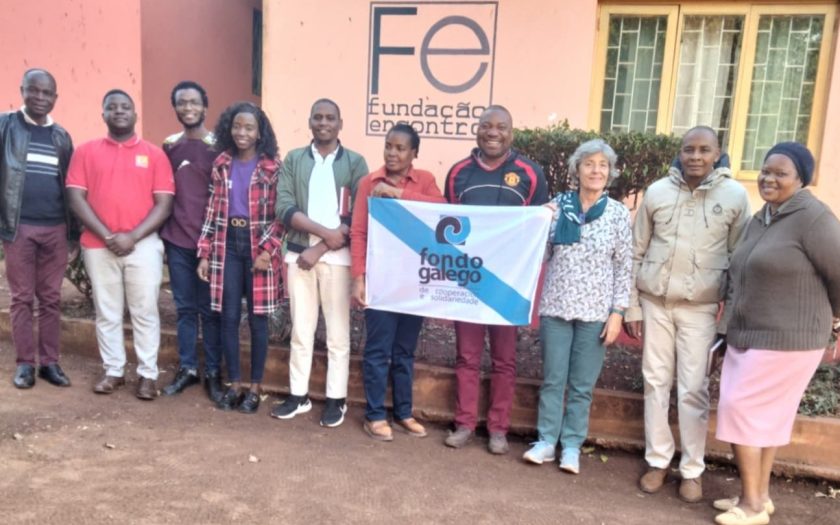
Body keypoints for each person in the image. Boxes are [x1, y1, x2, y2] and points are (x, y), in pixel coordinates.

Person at [712, 142, 840, 525]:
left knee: (740, 410)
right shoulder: (764, 216)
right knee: (764, 419)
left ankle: (750, 507)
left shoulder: (814, 219)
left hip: (790, 339)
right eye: (766, 171)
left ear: (802, 178)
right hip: (751, 334)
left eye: (780, 173)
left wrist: (835, 319)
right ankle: (759, 496)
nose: (769, 179)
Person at [625, 126, 750, 502]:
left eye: (704, 150)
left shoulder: (735, 196)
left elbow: (741, 261)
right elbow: (636, 251)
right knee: (655, 381)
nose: (695, 156)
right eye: (688, 149)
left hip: (700, 309)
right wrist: (633, 305)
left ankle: (692, 468)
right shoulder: (659, 192)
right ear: (679, 152)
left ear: (717, 154)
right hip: (655, 303)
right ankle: (658, 460)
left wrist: (726, 322)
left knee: (693, 389)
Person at [443, 105, 549, 454]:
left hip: (508, 284)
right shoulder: (458, 173)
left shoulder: (530, 173)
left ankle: (499, 429)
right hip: (470, 278)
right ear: (477, 130)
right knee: (467, 357)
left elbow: (540, 224)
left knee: (505, 359)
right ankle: (464, 424)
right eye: (486, 126)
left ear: (511, 133)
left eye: (500, 127)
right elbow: (447, 224)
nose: (493, 132)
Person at [522, 139, 632, 473]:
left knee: (582, 385)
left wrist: (618, 313)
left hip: (596, 314)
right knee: (554, 379)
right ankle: (545, 442)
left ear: (609, 172)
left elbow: (624, 266)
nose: (596, 170)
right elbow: (539, 255)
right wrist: (538, 223)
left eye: (602, 165)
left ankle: (571, 445)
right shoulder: (557, 207)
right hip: (557, 306)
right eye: (589, 164)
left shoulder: (616, 214)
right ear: (577, 170)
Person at [66, 89, 174, 400]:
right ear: (103, 115)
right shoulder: (85, 152)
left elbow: (164, 205)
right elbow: (76, 198)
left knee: (144, 311)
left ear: (135, 114)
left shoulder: (154, 154)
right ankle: (113, 370)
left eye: (125, 107)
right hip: (98, 246)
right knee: (107, 310)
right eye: (112, 107)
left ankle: (147, 374)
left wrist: (132, 236)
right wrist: (107, 235)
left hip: (142, 246)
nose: (119, 111)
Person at [272, 99, 368, 428]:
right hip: (299, 254)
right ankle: (298, 396)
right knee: (301, 329)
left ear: (341, 123)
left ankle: (336, 400)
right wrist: (319, 239)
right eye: (318, 117)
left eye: (330, 118)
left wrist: (323, 248)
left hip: (338, 260)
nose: (324, 122)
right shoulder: (295, 159)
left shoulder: (355, 163)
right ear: (309, 122)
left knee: (338, 334)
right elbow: (283, 206)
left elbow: (358, 213)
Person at [349, 124, 445, 441]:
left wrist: (399, 194)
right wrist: (358, 278)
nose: (392, 152)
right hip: (380, 280)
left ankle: (403, 412)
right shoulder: (368, 182)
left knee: (404, 351)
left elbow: (442, 212)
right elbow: (359, 231)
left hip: (413, 280)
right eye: (389, 146)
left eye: (400, 148)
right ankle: (375, 415)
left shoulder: (426, 181)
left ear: (414, 153)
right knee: (378, 350)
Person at [196, 102, 283, 414]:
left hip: (256, 245)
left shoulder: (272, 167)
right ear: (228, 129)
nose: (241, 133)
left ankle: (255, 388)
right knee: (228, 317)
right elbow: (212, 209)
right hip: (226, 245)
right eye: (236, 126)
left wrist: (267, 250)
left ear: (260, 132)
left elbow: (280, 215)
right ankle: (234, 384)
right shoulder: (221, 163)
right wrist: (204, 252)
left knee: (258, 319)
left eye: (249, 127)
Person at [2, 68, 78, 389]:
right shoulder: (5, 126)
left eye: (47, 93)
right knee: (22, 298)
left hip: (55, 229)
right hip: (19, 228)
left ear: (55, 98)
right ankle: (24, 365)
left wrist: (73, 234)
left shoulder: (61, 136)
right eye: (34, 90)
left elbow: (71, 186)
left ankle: (49, 362)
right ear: (22, 90)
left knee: (50, 298)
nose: (40, 98)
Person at [159, 81, 223, 401]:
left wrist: (210, 245)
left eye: (194, 102)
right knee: (184, 309)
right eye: (181, 103)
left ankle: (213, 372)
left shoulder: (220, 147)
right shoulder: (169, 146)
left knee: (210, 310)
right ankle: (188, 369)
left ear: (205, 106)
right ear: (176, 108)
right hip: (177, 240)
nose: (188, 108)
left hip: (210, 245)